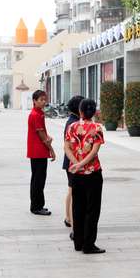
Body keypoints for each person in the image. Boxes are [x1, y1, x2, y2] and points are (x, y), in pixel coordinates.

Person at [65, 98, 106, 254]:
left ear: (80, 112)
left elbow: (66, 148)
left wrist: (76, 164)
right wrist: (82, 164)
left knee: (78, 207)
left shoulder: (72, 127)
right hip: (93, 173)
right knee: (92, 210)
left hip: (76, 173)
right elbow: (95, 151)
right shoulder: (97, 128)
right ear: (94, 112)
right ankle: (89, 244)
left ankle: (78, 242)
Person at [27, 90, 56, 216]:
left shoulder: (39, 113)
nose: (44, 102)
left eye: (45, 99)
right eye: (41, 100)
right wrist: (51, 149)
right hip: (37, 151)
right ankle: (36, 206)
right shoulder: (35, 115)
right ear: (34, 101)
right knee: (38, 180)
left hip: (38, 150)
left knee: (38, 179)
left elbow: (43, 132)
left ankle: (38, 205)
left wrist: (48, 138)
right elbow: (42, 135)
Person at [63, 95, 84, 229]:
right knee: (73, 191)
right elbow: (69, 146)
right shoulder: (73, 123)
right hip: (73, 162)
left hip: (72, 162)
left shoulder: (73, 120)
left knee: (71, 190)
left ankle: (68, 218)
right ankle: (70, 219)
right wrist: (77, 164)